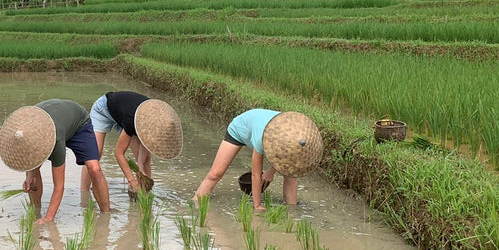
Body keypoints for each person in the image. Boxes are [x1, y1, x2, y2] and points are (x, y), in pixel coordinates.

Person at [0, 99, 110, 224]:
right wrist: (30, 175)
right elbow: (31, 158)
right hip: (54, 121)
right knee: (32, 173)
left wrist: (48, 218)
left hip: (79, 124)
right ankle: (35, 209)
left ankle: (106, 214)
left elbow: (59, 186)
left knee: (94, 168)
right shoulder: (26, 129)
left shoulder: (56, 141)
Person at [194, 109, 323, 212]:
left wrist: (271, 172)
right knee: (216, 173)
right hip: (239, 130)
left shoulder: (294, 132)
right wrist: (257, 206)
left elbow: (287, 161)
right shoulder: (262, 138)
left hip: (270, 133)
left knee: (290, 173)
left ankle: (292, 212)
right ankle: (195, 204)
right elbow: (256, 175)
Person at [84, 91, 184, 199]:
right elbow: (119, 153)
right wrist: (131, 180)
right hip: (104, 110)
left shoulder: (156, 122)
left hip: (126, 113)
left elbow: (143, 157)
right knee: (94, 155)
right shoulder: (131, 120)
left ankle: (145, 194)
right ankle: (84, 193)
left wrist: (141, 172)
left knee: (146, 159)